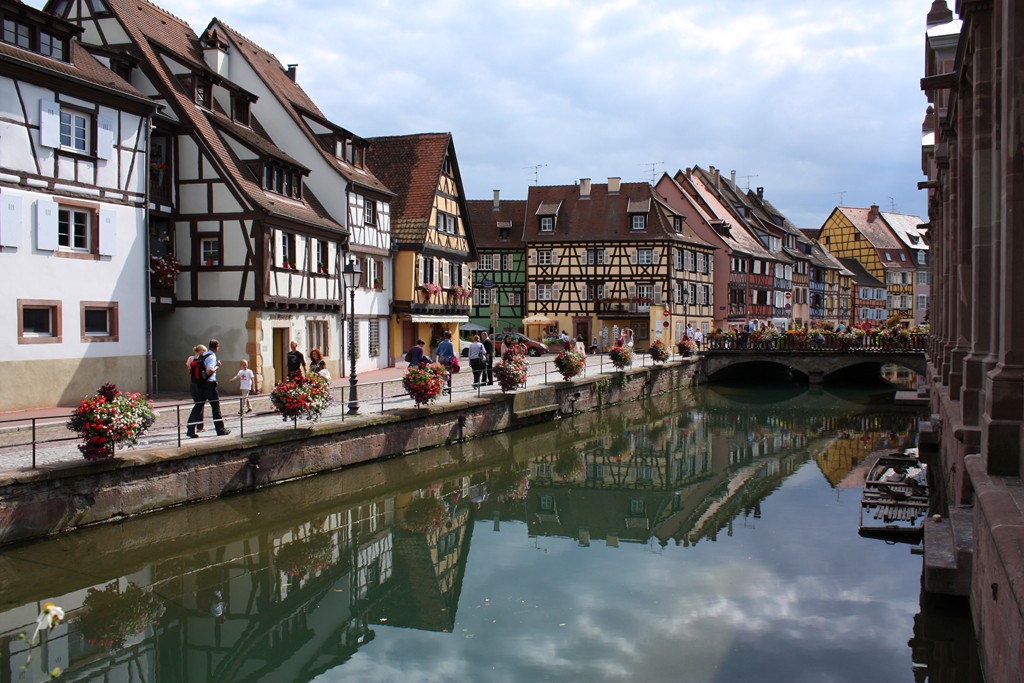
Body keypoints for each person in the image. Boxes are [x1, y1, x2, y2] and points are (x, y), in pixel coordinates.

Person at [187, 338, 230, 437]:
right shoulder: (212, 356)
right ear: (217, 347)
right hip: (210, 385)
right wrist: (217, 366)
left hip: (200, 384)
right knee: (215, 407)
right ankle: (220, 429)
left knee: (198, 407)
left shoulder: (203, 355)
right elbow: (209, 371)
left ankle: (190, 430)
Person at [185, 344, 207, 433]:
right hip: (200, 385)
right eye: (204, 351)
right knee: (200, 406)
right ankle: (199, 426)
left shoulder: (190, 359)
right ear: (201, 351)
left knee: (198, 405)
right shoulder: (202, 360)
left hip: (193, 384)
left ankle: (196, 426)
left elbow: (189, 370)